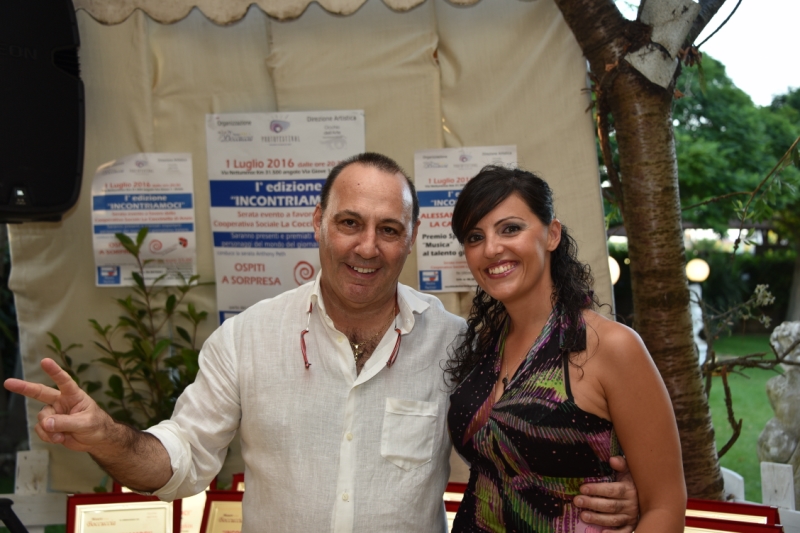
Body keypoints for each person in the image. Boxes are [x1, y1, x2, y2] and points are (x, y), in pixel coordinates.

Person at [5, 154, 640, 532]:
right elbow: (181, 459)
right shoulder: (247, 339)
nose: (367, 247)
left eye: (388, 229)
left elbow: (522, 446)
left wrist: (620, 490)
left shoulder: (457, 345)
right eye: (349, 223)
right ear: (317, 224)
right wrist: (106, 436)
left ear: (411, 238)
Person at [446, 165, 686, 532]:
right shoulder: (484, 346)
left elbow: (665, 507)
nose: (491, 249)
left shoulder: (610, 346)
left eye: (510, 229)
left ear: (552, 234)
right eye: (475, 237)